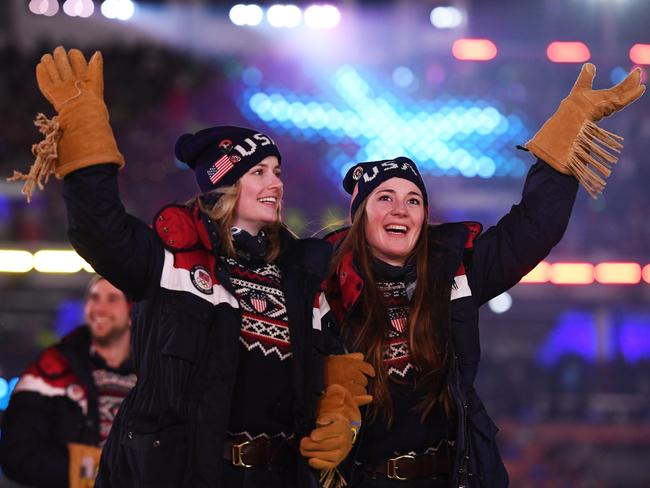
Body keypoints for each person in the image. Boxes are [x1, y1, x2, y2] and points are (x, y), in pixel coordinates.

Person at [10, 46, 360, 487]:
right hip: (185, 474)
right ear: (225, 184)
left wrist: (341, 416)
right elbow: (99, 230)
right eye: (259, 172)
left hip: (279, 476)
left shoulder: (302, 272)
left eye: (277, 171)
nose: (276, 182)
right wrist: (84, 127)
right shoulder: (171, 256)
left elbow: (335, 363)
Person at [321, 64, 645, 487]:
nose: (401, 209)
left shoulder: (453, 271)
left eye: (413, 200)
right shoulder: (318, 281)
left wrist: (567, 130)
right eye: (385, 198)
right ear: (360, 217)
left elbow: (533, 228)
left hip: (451, 476)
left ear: (424, 218)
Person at [0, 275, 136, 488]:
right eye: (94, 298)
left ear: (131, 312)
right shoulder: (50, 367)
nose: (99, 309)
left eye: (112, 299)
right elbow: (16, 454)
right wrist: (86, 469)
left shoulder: (154, 374)